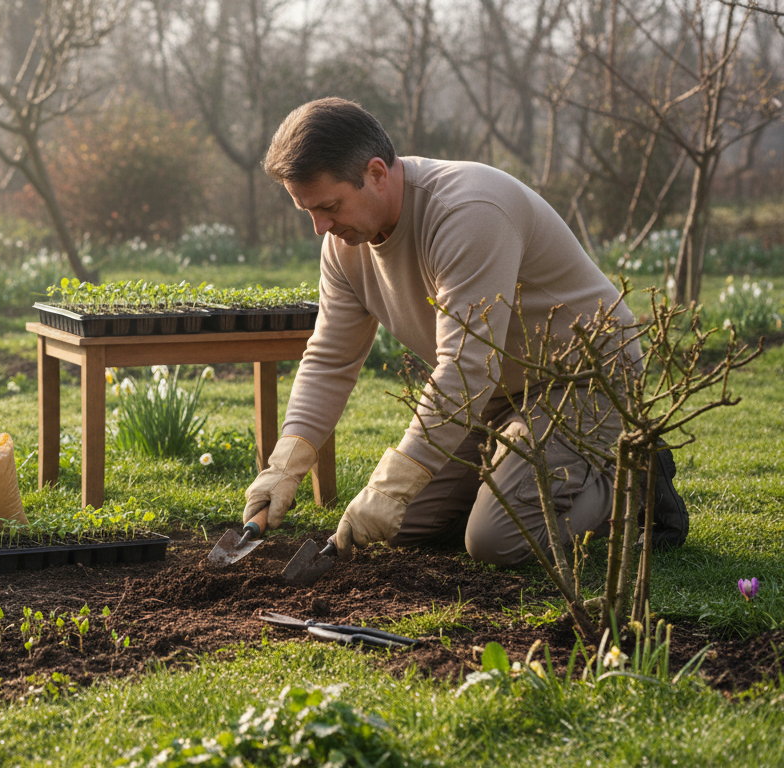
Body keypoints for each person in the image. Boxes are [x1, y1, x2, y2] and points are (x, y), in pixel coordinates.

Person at [243, 97, 688, 566]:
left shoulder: (468, 211)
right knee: (399, 525)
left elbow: (467, 368)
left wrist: (392, 485)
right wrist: (285, 466)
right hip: (495, 392)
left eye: (329, 207)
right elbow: (330, 358)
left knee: (497, 541)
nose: (320, 228)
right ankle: (513, 475)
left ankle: (629, 481)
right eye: (308, 211)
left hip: (582, 381)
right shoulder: (343, 245)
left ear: (376, 173)